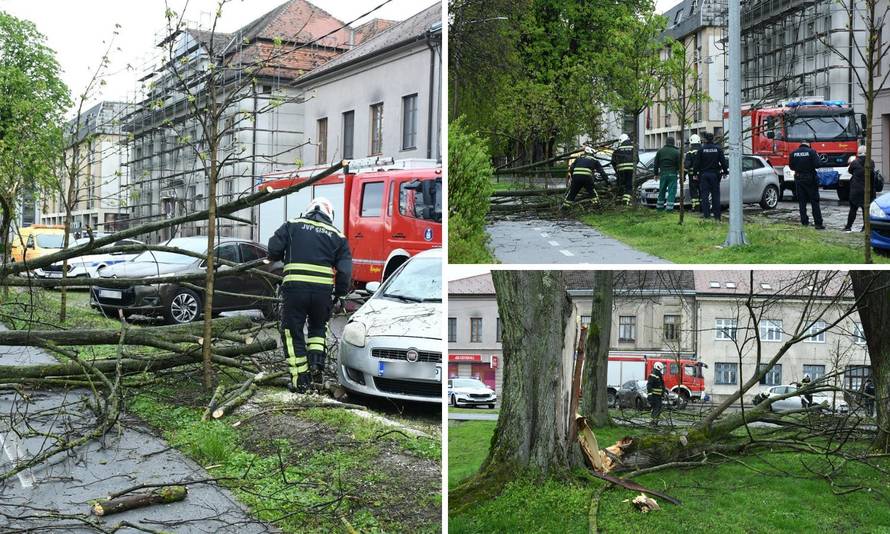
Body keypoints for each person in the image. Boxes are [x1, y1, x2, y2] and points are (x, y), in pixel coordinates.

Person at [268, 197, 353, 393]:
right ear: (330, 214)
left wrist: (285, 254)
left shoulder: (292, 225)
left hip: (295, 290)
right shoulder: (338, 236)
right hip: (322, 293)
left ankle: (300, 382)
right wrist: (339, 294)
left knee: (292, 332)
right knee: (318, 328)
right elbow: (345, 272)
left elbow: (273, 249)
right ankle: (316, 367)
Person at [788, 140, 825, 229]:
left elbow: (791, 167)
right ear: (809, 144)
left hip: (799, 178)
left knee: (802, 202)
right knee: (814, 201)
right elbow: (818, 164)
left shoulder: (793, 153)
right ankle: (818, 224)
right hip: (810, 179)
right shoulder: (812, 152)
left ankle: (804, 222)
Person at [694, 132, 729, 220]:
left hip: (704, 175)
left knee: (704, 196)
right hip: (715, 175)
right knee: (715, 195)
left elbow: (696, 163)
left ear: (705, 140)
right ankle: (717, 216)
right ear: (713, 139)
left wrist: (695, 174)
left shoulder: (701, 150)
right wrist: (725, 172)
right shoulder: (718, 149)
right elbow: (723, 162)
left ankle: (707, 215)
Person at [845, 146, 879, 232]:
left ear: (858, 153)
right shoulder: (871, 162)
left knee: (853, 209)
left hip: (856, 190)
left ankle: (848, 226)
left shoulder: (854, 163)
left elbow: (850, 171)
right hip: (868, 190)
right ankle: (865, 227)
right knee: (866, 210)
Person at [654, 136, 681, 212]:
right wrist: (680, 173)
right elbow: (679, 165)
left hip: (663, 174)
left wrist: (656, 174)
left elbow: (655, 164)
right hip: (672, 174)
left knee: (662, 190)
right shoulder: (676, 152)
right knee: (671, 191)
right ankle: (669, 209)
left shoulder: (660, 151)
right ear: (673, 143)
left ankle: (659, 208)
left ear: (666, 142)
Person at [611, 134, 635, 206]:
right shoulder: (633, 148)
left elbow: (613, 162)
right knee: (628, 185)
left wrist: (616, 171)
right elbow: (637, 160)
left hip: (620, 171)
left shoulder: (617, 150)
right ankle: (625, 201)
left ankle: (618, 201)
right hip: (630, 170)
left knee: (620, 185)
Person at [685, 134, 702, 213]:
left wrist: (683, 175)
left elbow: (686, 165)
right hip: (702, 175)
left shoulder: (689, 153)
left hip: (692, 176)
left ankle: (695, 207)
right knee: (702, 190)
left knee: (694, 191)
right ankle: (703, 206)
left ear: (691, 143)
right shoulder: (703, 150)